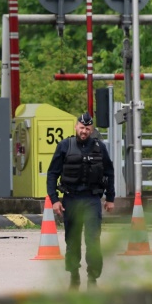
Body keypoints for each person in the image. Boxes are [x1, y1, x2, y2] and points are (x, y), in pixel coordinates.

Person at [46, 112, 115, 290]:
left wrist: (110, 198)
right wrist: (54, 199)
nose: (84, 131)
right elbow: (52, 173)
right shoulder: (64, 146)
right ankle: (74, 275)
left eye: (88, 128)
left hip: (92, 199)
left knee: (93, 240)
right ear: (76, 126)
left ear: (92, 129)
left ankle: (92, 279)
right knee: (72, 240)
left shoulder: (100, 147)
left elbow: (109, 172)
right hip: (71, 199)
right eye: (82, 127)